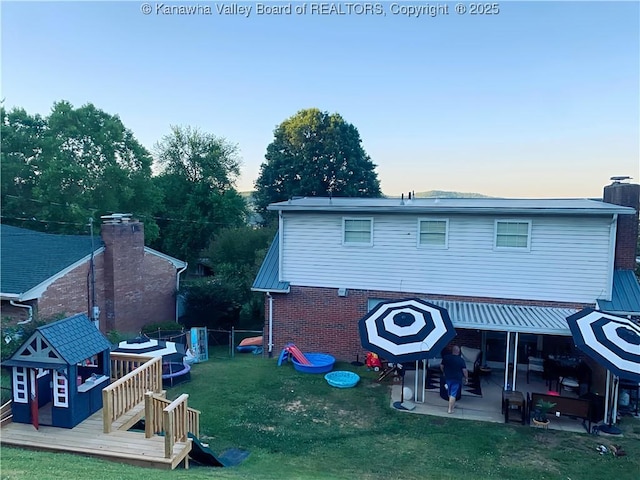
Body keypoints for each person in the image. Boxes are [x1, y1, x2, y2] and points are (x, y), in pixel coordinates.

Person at [440, 345, 469, 414]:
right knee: (453, 394)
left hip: (447, 378)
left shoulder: (446, 357)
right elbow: (464, 370)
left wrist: (444, 372)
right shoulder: (461, 360)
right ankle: (450, 409)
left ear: (452, 351)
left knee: (449, 393)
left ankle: (452, 405)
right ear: (458, 352)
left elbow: (441, 366)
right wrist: (466, 378)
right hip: (457, 379)